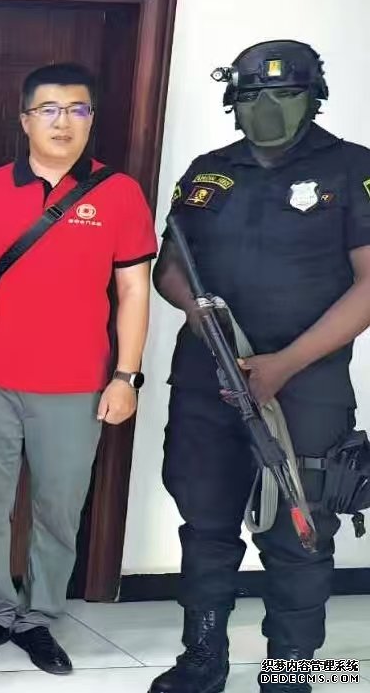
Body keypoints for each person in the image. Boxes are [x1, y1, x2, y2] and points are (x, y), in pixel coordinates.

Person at [148, 41, 370, 693]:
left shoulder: (351, 168)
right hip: (208, 377)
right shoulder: (208, 171)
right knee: (205, 522)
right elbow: (170, 266)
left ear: (313, 98)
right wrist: (197, 312)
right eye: (252, 96)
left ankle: (292, 670)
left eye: (285, 94)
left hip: (308, 386)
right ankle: (202, 658)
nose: (268, 107)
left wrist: (285, 363)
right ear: (233, 102)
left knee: (301, 532)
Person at [0, 62, 153, 676]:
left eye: (77, 109)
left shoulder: (118, 192)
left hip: (77, 384)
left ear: (91, 119)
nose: (63, 121)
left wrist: (126, 375)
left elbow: (134, 290)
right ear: (25, 120)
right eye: (49, 109)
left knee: (59, 507)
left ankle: (38, 617)